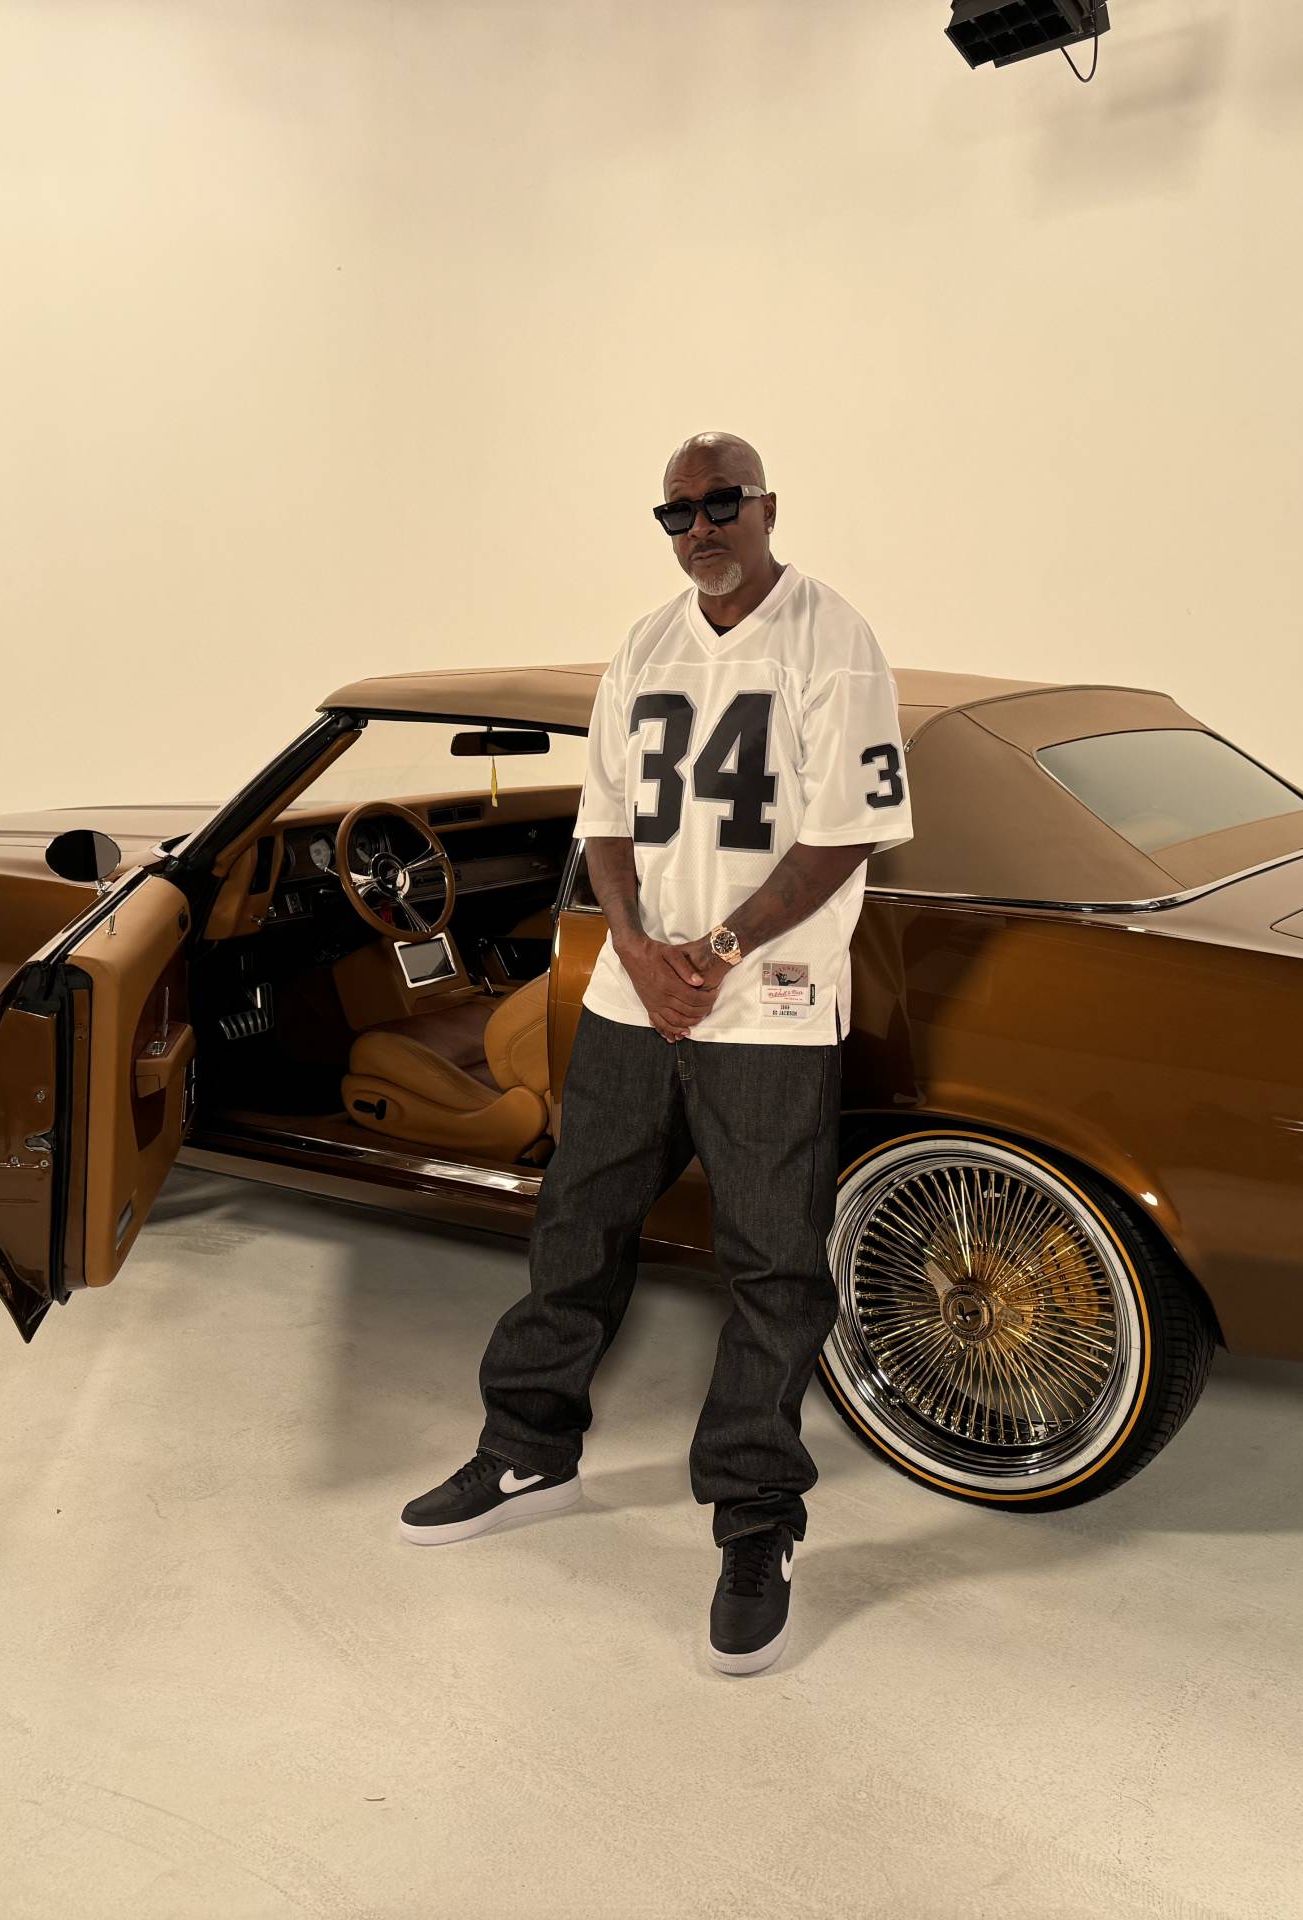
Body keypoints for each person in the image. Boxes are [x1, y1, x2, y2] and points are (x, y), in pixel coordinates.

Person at [398, 431, 916, 1676]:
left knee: (771, 1262)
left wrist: (720, 949)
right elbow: (608, 824)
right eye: (678, 510)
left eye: (722, 501)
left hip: (771, 1000)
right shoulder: (645, 645)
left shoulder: (831, 638)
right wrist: (636, 949)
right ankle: (527, 1446)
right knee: (579, 1220)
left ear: (766, 506)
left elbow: (845, 835)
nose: (701, 525)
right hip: (647, 999)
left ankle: (755, 1518)